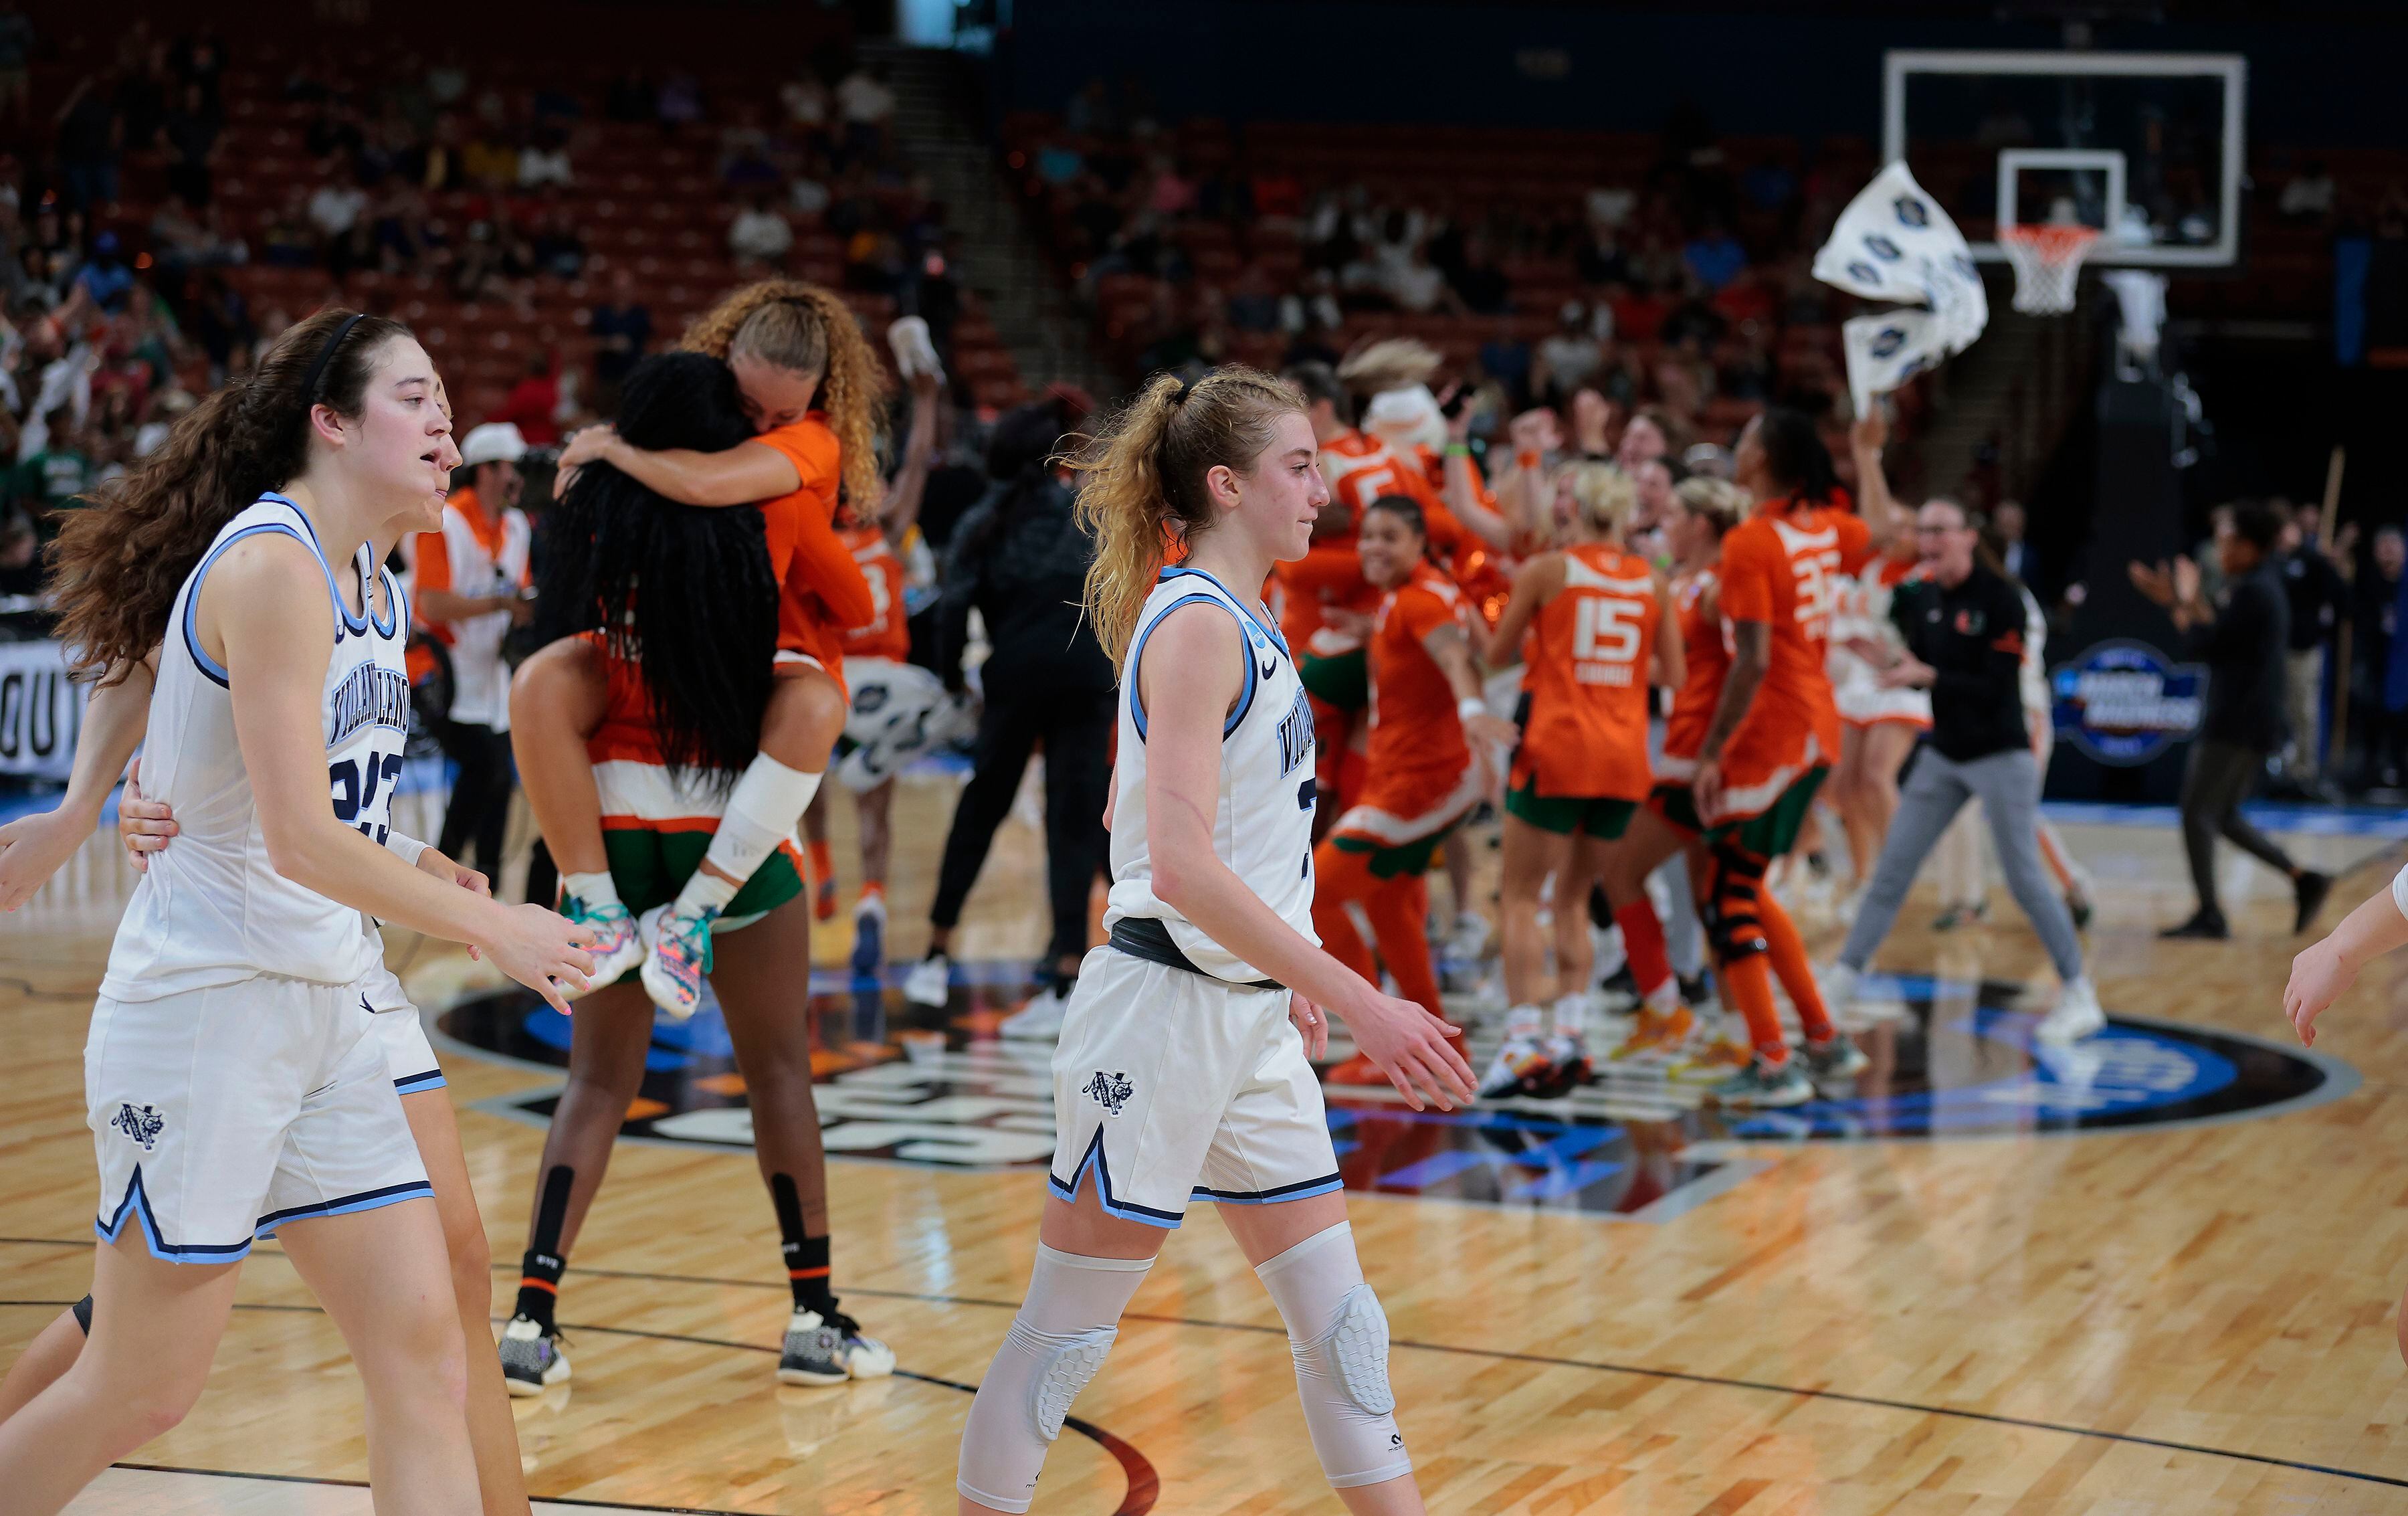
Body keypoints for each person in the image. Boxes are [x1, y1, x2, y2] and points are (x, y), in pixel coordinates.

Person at [0, 308, 591, 1513]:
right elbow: (294, 834)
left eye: (446, 401)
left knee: (424, 1351)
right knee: (142, 1386)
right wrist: (498, 926)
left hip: (326, 1005)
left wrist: (422, 866)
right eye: (417, 400)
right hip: (210, 1013)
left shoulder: (375, 568)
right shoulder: (272, 562)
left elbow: (315, 800)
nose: (448, 425)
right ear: (329, 421)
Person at [953, 366, 1473, 1516]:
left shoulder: (1251, 620)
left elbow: (1135, 817)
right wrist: (1362, 995)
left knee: (1344, 1326)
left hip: (1249, 1021)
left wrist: (1281, 966)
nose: (1325, 489)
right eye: (1300, 465)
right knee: (1065, 1343)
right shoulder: (1192, 623)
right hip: (1159, 1013)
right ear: (1229, 483)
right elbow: (1175, 862)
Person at [496, 351, 893, 1398]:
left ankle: (532, 1320)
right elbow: (852, 605)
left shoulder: (593, 497)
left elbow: (553, 625)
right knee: (777, 1075)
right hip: (731, 817)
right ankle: (813, 1314)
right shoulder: (776, 497)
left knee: (594, 1082)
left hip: (611, 811)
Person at [538, 279, 882, 1016]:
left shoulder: (806, 448)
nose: (761, 426)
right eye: (747, 408)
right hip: (701, 676)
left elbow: (706, 483)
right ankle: (645, 917)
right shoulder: (740, 468)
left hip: (768, 662)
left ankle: (668, 917)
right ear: (722, 364)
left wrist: (608, 451)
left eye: (780, 415)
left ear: (818, 399)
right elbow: (857, 601)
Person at [1637, 413, 1872, 1105]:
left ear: (1767, 457)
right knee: (1746, 889)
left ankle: (1774, 1058)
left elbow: (1754, 661)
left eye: (1744, 441)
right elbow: (1884, 533)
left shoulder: (1752, 541)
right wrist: (1870, 457)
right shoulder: (1827, 525)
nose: (1735, 450)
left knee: (1728, 897)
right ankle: (1822, 1040)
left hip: (1772, 733)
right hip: (1815, 725)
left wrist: (1713, 753)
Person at [1821, 497, 2104, 1043]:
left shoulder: (2004, 600)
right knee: (1890, 875)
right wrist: (1880, 659)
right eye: (1923, 531)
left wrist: (1927, 674)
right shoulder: (1923, 598)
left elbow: (1994, 685)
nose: (1930, 540)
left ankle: (2079, 992)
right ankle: (1841, 983)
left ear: (1969, 536)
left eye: (1941, 531)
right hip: (1945, 755)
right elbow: (1921, 667)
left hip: (2003, 751)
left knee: (2024, 877)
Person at [902, 393, 1115, 1031]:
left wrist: (947, 680)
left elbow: (950, 610)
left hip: (1014, 679)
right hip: (1087, 677)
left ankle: (935, 955)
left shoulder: (985, 519)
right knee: (1072, 818)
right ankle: (1064, 973)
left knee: (981, 808)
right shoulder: (1088, 517)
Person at [1476, 465, 1681, 1096]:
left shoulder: (1548, 571)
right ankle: (1570, 1034)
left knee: (1518, 897)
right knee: (1573, 899)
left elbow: (1497, 655)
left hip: (1559, 748)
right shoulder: (1654, 582)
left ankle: (1519, 1043)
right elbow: (1671, 674)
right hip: (1623, 758)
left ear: (1574, 511)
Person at [1316, 494, 1510, 1086]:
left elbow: (1455, 656)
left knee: (1316, 896)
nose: (1374, 547)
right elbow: (1468, 640)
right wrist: (1373, 629)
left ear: (1419, 544)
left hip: (1427, 782)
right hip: (1417, 774)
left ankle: (1378, 1036)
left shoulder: (1421, 599)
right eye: (1368, 535)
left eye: (1390, 537)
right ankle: (1437, 1049)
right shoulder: (1419, 594)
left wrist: (1473, 708)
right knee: (1389, 903)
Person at [801, 361, 951, 973]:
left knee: (806, 780)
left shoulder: (820, 534)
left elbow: (913, 465)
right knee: (873, 802)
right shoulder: (883, 533)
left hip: (837, 683)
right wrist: (927, 398)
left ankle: (832, 875)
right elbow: (915, 464)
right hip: (880, 685)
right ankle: (870, 899)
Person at [2130, 501, 2334, 939]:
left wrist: (2179, 603)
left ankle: (2210, 914)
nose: (2218, 548)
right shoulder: (2255, 584)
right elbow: (2221, 632)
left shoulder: (2255, 590)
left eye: (2225, 540)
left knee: (2194, 812)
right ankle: (2305, 879)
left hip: (2238, 719)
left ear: (2247, 545)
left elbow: (2205, 644)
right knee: (2220, 815)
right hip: (2251, 717)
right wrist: (2181, 600)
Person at [410, 419, 532, 880]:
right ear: (486, 471)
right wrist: (502, 603)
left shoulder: (516, 526)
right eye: (511, 468)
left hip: (492, 678)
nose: (519, 479)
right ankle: (440, 868)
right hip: (441, 674)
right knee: (486, 770)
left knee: (496, 779)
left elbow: (519, 596)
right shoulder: (446, 521)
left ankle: (487, 876)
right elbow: (433, 603)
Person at [1827, 411, 1926, 901]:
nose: (1898, 530)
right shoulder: (1864, 568)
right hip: (1852, 685)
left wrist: (1868, 456)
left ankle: (1896, 873)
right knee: (1843, 786)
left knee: (1874, 776)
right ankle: (1862, 875)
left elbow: (1879, 523)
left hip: (1895, 682)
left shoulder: (1912, 572)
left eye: (1907, 525)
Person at [2277, 502, 2348, 792]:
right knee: (2281, 711)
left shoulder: (2314, 560)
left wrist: (2325, 624)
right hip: (2276, 649)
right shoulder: (2274, 562)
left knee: (2305, 711)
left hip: (2305, 647)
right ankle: (2280, 769)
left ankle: (2305, 772)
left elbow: (2341, 597)